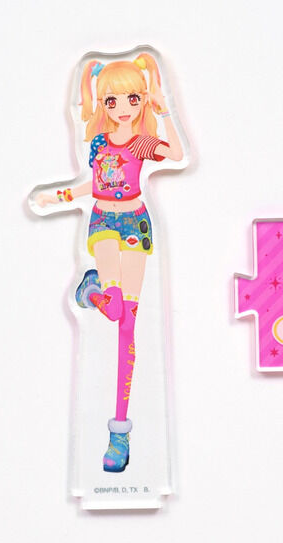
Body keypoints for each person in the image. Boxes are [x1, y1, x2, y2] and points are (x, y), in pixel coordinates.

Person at [37, 53, 183, 472]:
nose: (122, 108)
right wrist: (60, 196)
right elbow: (95, 185)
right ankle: (94, 289)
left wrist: (163, 107)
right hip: (103, 221)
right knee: (114, 308)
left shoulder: (141, 143)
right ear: (102, 103)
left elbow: (176, 153)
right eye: (112, 101)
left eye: (132, 99)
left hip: (136, 224)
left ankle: (119, 432)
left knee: (127, 326)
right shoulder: (99, 142)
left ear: (142, 100)